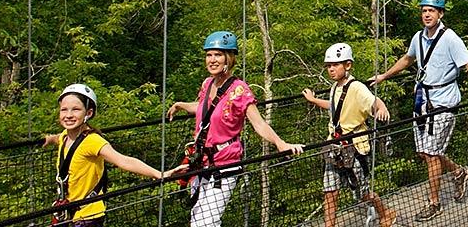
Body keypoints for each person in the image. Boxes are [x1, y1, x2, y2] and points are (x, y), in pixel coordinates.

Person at [372, 0, 468, 222]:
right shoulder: (418, 37)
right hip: (422, 101)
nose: (426, 14)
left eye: (431, 11)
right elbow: (408, 59)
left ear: (440, 13)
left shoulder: (450, 39)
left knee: (431, 154)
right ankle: (458, 172)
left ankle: (434, 203)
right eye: (424, 10)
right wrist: (384, 76)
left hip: (444, 103)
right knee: (424, 152)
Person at [167, 31, 302, 227]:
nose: (212, 60)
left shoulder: (240, 90)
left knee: (207, 223)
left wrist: (280, 143)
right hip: (200, 162)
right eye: (209, 55)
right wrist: (181, 105)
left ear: (229, 58)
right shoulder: (207, 84)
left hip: (225, 164)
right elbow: (205, 108)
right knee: (197, 220)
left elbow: (258, 123)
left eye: (218, 55)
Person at [44, 84, 182, 226]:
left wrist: (159, 174)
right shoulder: (65, 136)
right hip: (68, 213)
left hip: (87, 214)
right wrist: (48, 139)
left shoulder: (92, 141)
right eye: (64, 110)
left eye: (76, 109)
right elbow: (58, 138)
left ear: (88, 113)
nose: (68, 115)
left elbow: (123, 160)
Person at [303, 43, 396, 227]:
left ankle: (386, 213)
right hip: (334, 145)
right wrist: (314, 100)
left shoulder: (356, 87)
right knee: (330, 190)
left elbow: (373, 101)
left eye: (335, 65)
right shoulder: (335, 87)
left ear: (348, 65)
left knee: (363, 190)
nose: (331, 69)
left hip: (354, 147)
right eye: (329, 65)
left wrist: (381, 107)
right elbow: (334, 108)